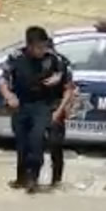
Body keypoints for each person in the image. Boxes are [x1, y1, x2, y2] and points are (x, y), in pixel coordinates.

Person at [0, 26, 74, 193]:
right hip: (21, 104)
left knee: (36, 141)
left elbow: (68, 83)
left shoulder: (54, 59)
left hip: (43, 105)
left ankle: (33, 178)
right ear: (29, 46)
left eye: (44, 45)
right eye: (38, 47)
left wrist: (58, 81)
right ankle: (21, 177)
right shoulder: (16, 57)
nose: (42, 50)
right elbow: (3, 79)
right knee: (22, 143)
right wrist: (9, 96)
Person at [46, 40, 77, 188]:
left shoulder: (62, 63)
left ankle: (56, 180)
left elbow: (69, 89)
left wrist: (59, 111)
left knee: (55, 145)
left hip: (55, 108)